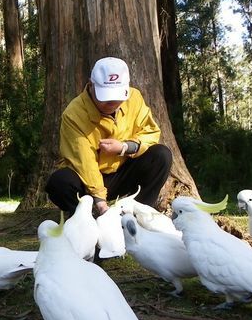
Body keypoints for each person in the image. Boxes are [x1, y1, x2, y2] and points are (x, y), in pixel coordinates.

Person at [45, 57, 172, 216]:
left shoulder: (134, 97)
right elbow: (85, 162)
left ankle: (137, 215)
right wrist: (101, 205)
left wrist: (125, 147)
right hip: (87, 180)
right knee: (59, 182)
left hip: (121, 172)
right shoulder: (73, 114)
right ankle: (85, 220)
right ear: (91, 85)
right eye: (106, 97)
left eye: (118, 97)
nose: (113, 102)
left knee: (161, 155)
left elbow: (150, 131)